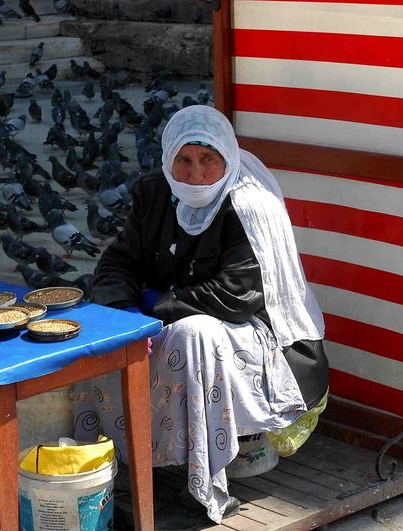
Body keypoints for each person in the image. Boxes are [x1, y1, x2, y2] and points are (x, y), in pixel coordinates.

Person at [73, 105, 329, 526]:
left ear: (227, 158)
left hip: (261, 335)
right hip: (171, 313)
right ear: (168, 156)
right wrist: (122, 312)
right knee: (101, 325)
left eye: (208, 159)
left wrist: (154, 310)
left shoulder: (248, 203)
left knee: (196, 335)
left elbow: (238, 293)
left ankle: (203, 484)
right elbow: (120, 260)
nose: (195, 174)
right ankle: (121, 460)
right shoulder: (154, 192)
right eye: (184, 159)